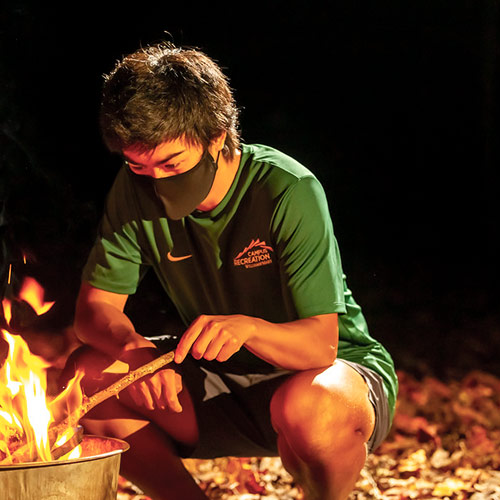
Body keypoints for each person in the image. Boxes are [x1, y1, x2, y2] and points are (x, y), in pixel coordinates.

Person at [66, 42, 398, 500]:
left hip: (327, 378)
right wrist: (135, 351)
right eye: (137, 165)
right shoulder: (133, 190)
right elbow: (94, 310)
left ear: (217, 136)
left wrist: (248, 329)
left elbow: (321, 345)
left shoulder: (286, 188)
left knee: (308, 407)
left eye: (172, 163)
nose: (156, 182)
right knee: (88, 375)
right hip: (218, 379)